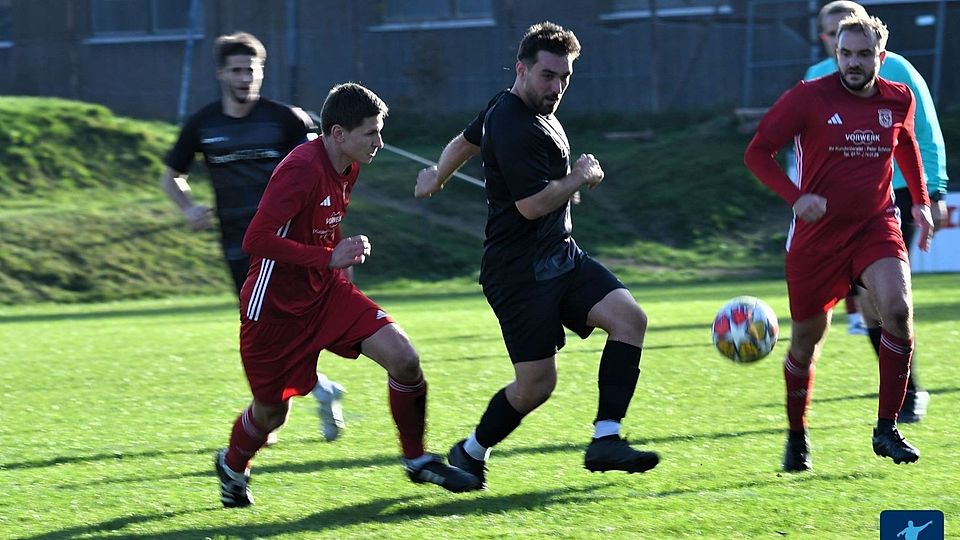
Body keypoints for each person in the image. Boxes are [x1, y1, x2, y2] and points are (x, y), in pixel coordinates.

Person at [415, 21, 659, 489]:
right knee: (536, 386)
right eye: (548, 76)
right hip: (518, 274)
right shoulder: (513, 123)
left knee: (630, 320)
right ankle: (470, 451)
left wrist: (437, 175)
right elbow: (529, 206)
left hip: (560, 256)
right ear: (522, 69)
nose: (557, 87)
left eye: (565, 77)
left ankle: (606, 439)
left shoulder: (510, 109)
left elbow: (465, 142)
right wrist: (577, 179)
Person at [214, 82, 480, 507]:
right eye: (370, 133)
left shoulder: (348, 166)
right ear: (338, 134)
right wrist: (329, 256)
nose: (380, 142)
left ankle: (417, 460)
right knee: (271, 413)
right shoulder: (301, 168)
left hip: (326, 294)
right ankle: (232, 466)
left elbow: (323, 224)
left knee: (405, 359)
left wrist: (343, 260)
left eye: (379, 131)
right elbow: (256, 240)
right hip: (274, 310)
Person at [744, 14, 935, 472]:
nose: (853, 62)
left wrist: (921, 202)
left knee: (898, 311)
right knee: (806, 343)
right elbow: (757, 153)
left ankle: (886, 427)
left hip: (875, 225)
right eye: (846, 54)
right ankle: (796, 435)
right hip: (817, 239)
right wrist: (797, 197)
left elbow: (905, 143)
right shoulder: (808, 97)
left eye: (864, 54)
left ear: (880, 57)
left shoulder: (898, 97)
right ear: (836, 54)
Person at [161, 32, 344, 444]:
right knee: (262, 330)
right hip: (238, 245)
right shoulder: (203, 124)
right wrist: (188, 207)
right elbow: (171, 176)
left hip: (287, 244)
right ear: (221, 74)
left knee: (285, 326)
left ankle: (273, 409)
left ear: (262, 72)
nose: (245, 78)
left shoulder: (285, 120)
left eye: (253, 70)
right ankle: (299, 396)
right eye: (237, 70)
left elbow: (323, 171)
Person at [800, 0, 950, 423]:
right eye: (834, 37)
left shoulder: (899, 71)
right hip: (840, 206)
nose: (844, 45)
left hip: (895, 194)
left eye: (853, 38)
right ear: (828, 41)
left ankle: (909, 393)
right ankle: (903, 392)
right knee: (868, 305)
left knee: (885, 300)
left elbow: (924, 132)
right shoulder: (814, 80)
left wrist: (932, 191)